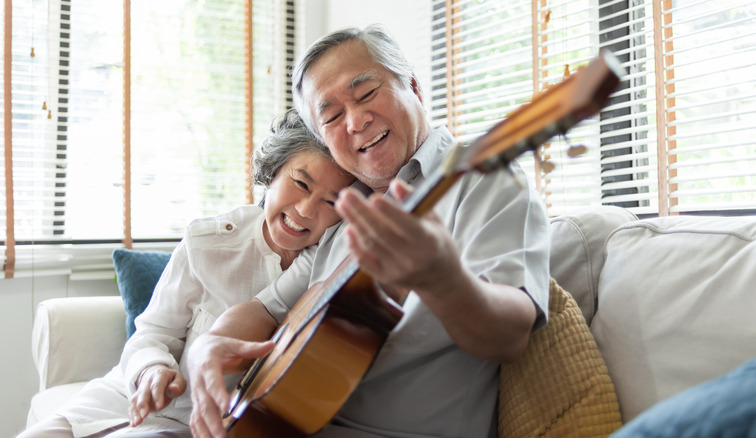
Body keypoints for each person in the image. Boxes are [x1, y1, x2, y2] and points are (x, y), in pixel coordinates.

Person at [186, 24, 551, 438]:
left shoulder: (485, 178)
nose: (356, 122)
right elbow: (264, 310)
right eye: (332, 116)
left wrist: (442, 279)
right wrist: (206, 348)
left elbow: (511, 336)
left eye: (366, 94)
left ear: (413, 86)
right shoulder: (343, 212)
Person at [17, 108, 355, 438]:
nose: (305, 210)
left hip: (193, 423)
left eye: (331, 202)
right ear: (274, 171)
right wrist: (152, 370)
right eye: (300, 183)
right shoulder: (208, 241)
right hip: (125, 398)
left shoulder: (329, 261)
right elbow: (151, 333)